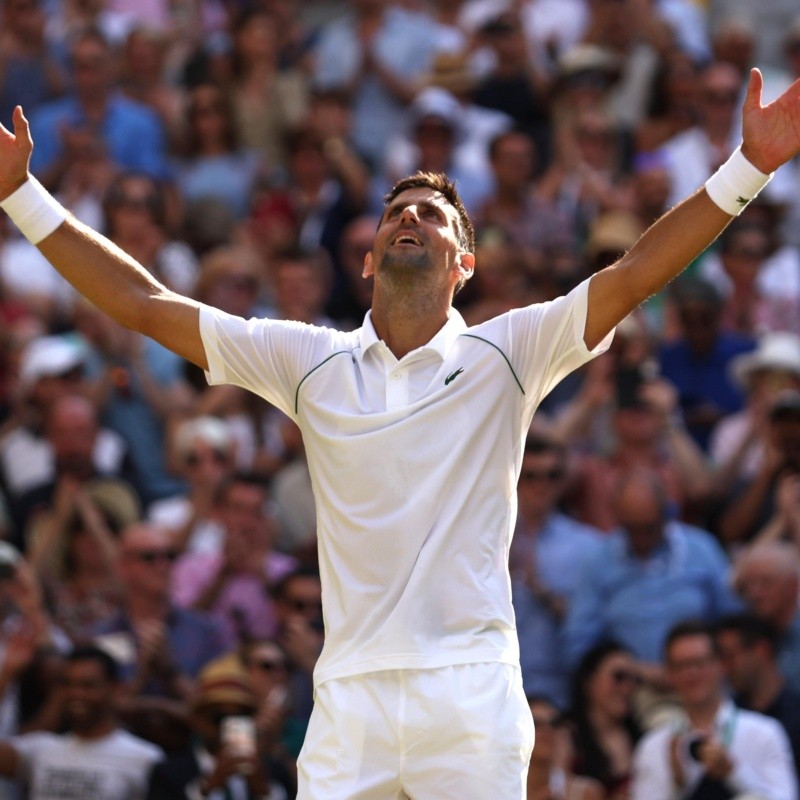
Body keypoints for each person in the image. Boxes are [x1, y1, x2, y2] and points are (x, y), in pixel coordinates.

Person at [2, 65, 800, 798]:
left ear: (465, 263)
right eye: (395, 214)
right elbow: (146, 305)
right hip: (349, 699)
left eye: (431, 214)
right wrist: (20, 197)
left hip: (471, 691)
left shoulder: (510, 349)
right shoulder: (306, 358)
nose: (409, 219)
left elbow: (632, 276)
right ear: (367, 257)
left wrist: (750, 168)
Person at [630, 620, 798, 800]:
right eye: (681, 666)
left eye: (700, 663)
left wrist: (733, 773)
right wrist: (677, 785)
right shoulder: (653, 746)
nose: (691, 673)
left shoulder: (763, 732)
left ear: (722, 664)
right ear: (669, 673)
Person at [0, 645, 163, 800]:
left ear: (115, 689)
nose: (76, 693)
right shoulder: (41, 748)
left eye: (88, 685)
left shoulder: (145, 758)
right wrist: (6, 675)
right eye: (68, 684)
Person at [714, 613, 800, 782]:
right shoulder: (726, 716)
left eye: (730, 656)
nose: (724, 668)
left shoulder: (797, 712)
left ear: (761, 650)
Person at [564, 642, 643, 799]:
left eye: (634, 679)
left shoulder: (642, 740)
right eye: (619, 677)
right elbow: (553, 787)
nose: (627, 687)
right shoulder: (565, 734)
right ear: (589, 681)